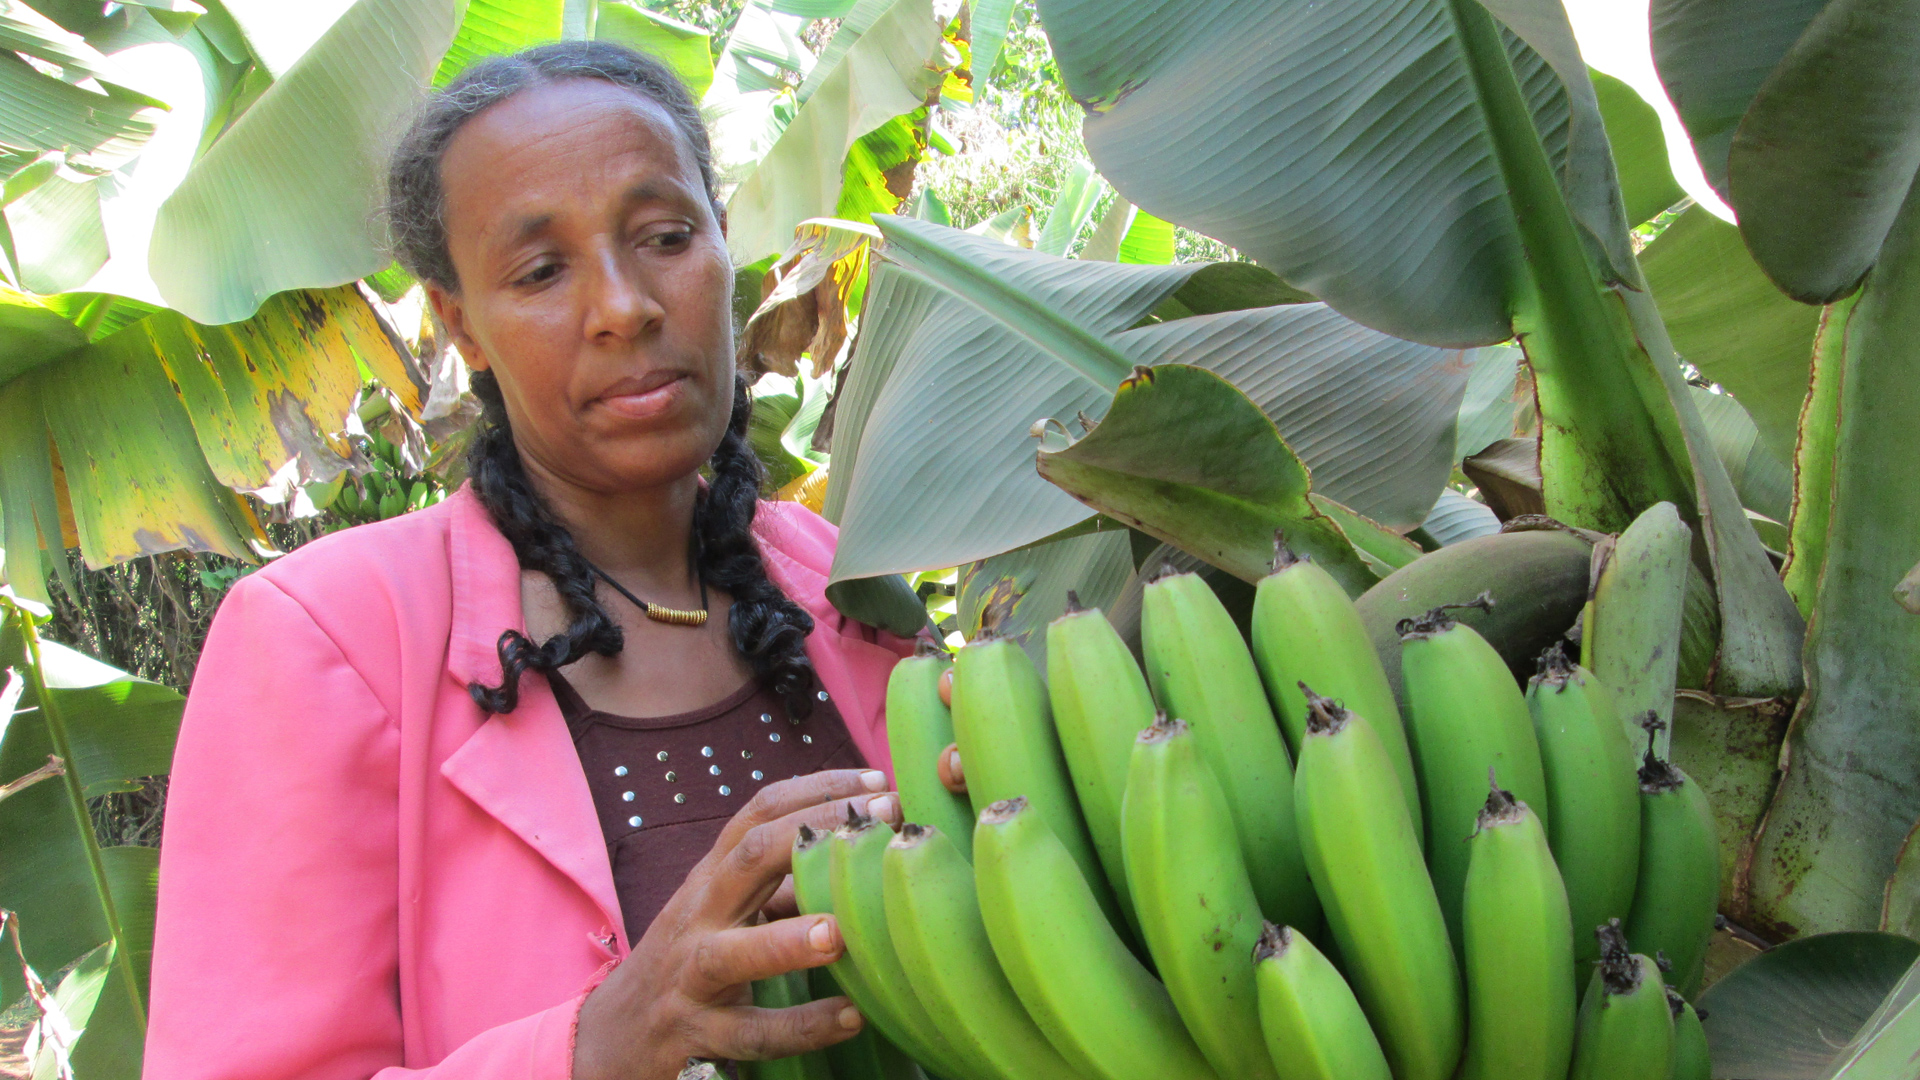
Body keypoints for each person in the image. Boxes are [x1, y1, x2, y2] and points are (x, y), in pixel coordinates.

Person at [144, 41, 955, 1080]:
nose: (623, 306)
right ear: (460, 324)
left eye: (665, 235)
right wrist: (594, 1047)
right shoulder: (326, 637)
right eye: (540, 270)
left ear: (723, 241)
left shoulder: (847, 583)